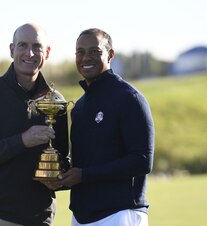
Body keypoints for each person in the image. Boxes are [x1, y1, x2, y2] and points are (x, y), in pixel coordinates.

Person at [0, 23, 70, 226]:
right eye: (22, 45)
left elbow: (63, 158)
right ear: (12, 50)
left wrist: (59, 178)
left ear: (47, 52)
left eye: (37, 46)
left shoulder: (56, 102)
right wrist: (22, 141)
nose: (30, 53)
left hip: (39, 218)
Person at [58, 28, 155, 226]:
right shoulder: (80, 106)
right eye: (80, 52)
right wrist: (60, 175)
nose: (86, 57)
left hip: (119, 214)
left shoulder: (129, 98)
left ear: (110, 55)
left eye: (94, 51)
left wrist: (84, 175)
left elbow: (142, 160)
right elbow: (85, 163)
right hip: (81, 216)